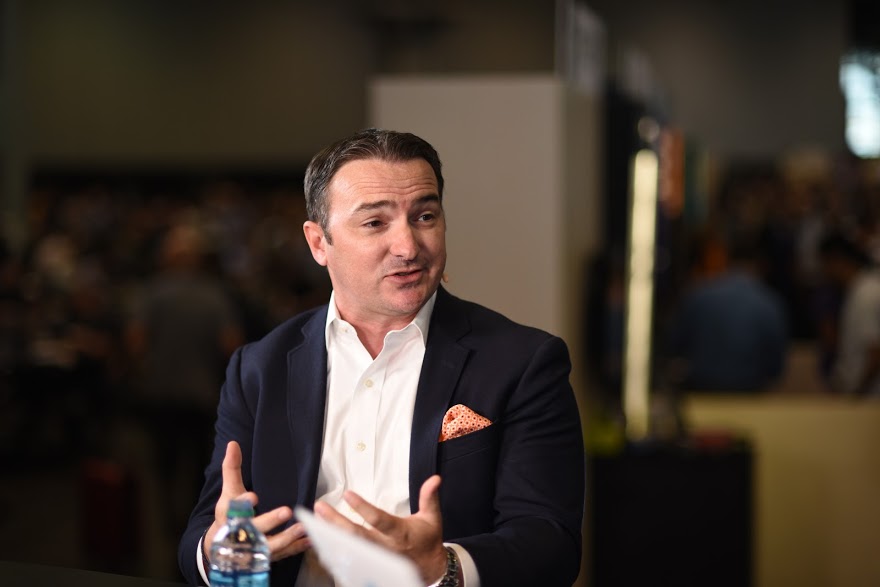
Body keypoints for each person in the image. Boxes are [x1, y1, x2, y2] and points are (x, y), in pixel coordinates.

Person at [178, 129, 585, 586]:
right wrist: (222, 556)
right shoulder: (259, 368)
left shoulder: (522, 362)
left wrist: (444, 567)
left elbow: (550, 543)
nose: (408, 247)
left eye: (425, 216)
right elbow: (204, 537)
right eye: (375, 223)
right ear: (319, 243)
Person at [667, 232, 787, 391]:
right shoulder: (769, 301)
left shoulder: (699, 294)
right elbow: (776, 366)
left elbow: (674, 345)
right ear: (761, 266)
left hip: (701, 387)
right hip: (749, 388)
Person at [819, 231, 880, 395]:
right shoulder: (859, 290)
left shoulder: (866, 295)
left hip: (868, 398)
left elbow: (875, 352)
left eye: (824, 264)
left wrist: (857, 393)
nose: (823, 271)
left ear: (836, 260)